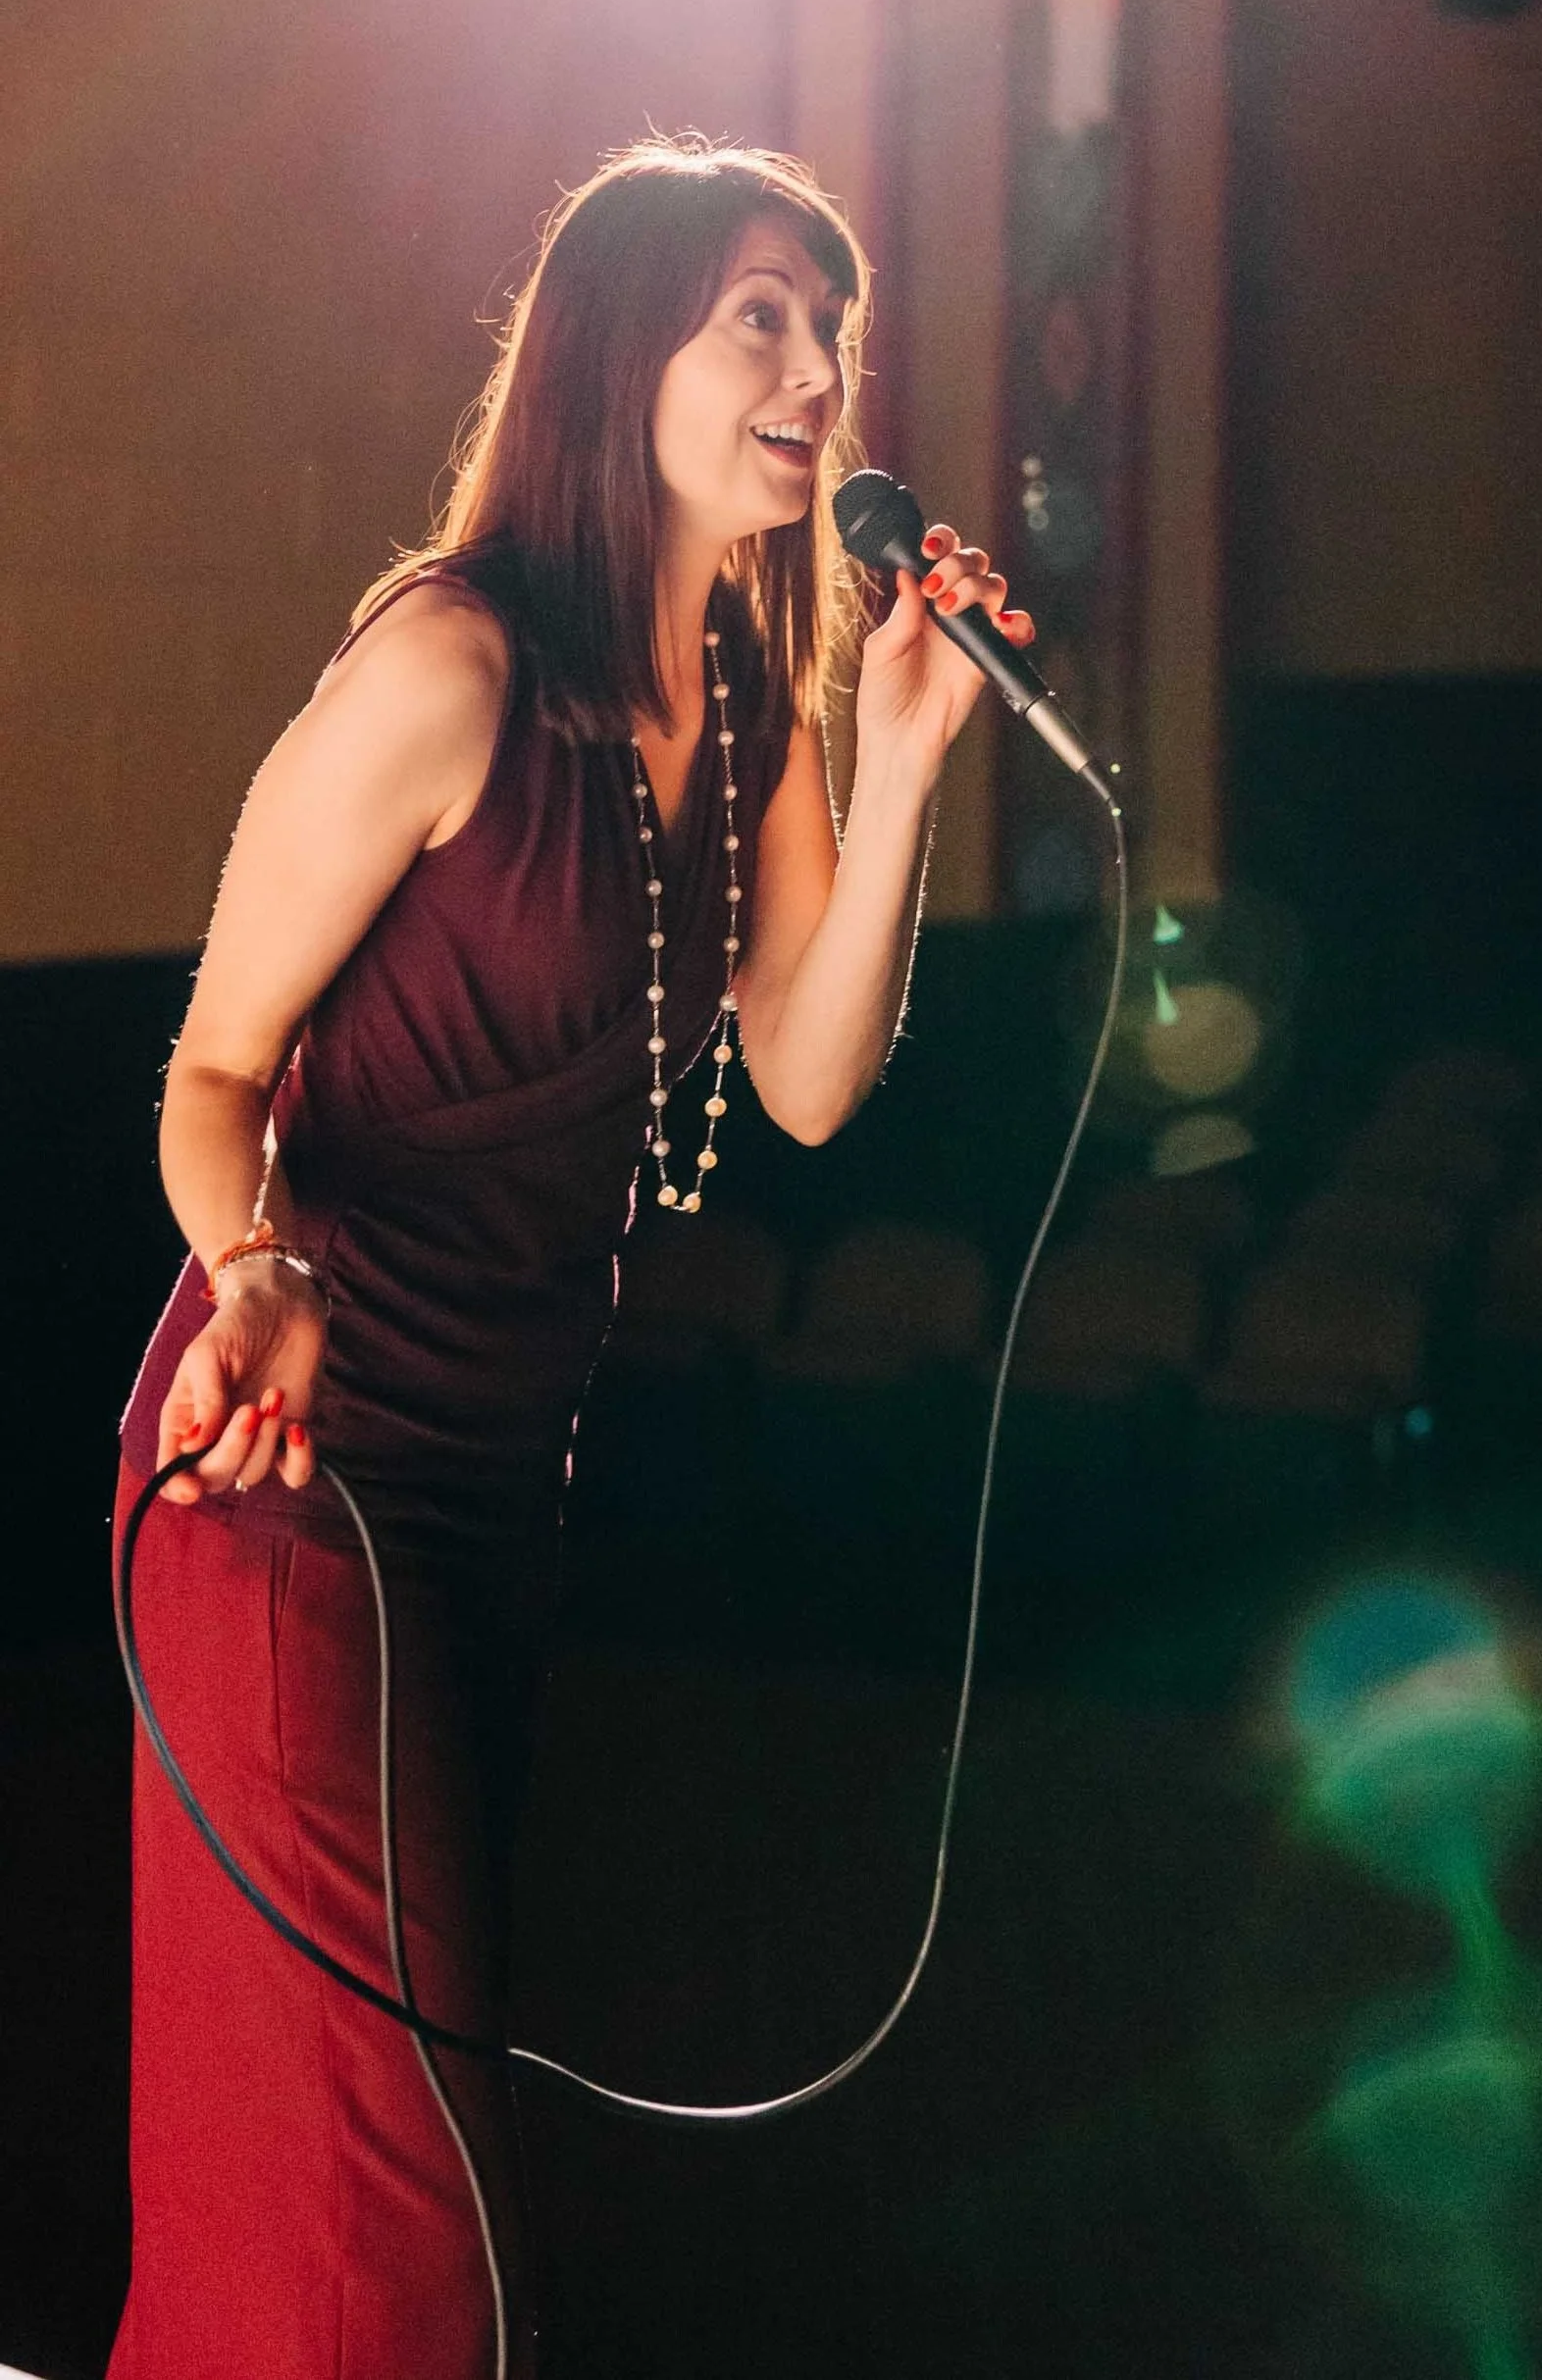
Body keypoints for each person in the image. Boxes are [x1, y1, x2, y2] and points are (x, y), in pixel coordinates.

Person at [106, 137, 1031, 2379]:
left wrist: (899, 766)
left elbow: (807, 1079)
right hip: (281, 1479)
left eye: (833, 325)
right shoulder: (451, 664)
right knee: (381, 2207)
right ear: (626, 343)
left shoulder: (746, 692)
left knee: (364, 2145)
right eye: (760, 316)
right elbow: (211, 1074)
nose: (818, 370)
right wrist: (253, 1267)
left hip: (496, 1504)